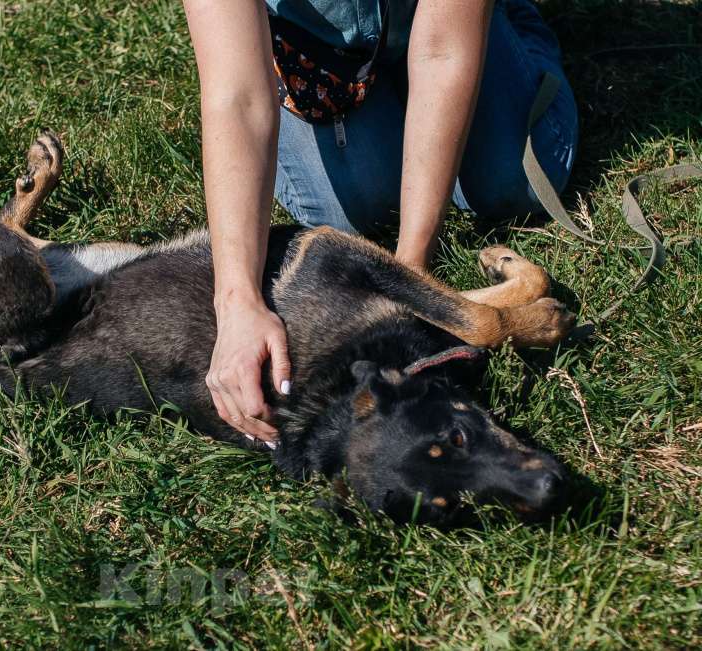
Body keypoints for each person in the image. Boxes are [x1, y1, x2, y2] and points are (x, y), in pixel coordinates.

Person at [182, 0, 578, 444]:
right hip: (317, 47)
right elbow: (238, 95)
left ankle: (513, 28)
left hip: (441, 20)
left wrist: (410, 276)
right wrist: (238, 304)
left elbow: (443, 52)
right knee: (354, 209)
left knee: (512, 183)